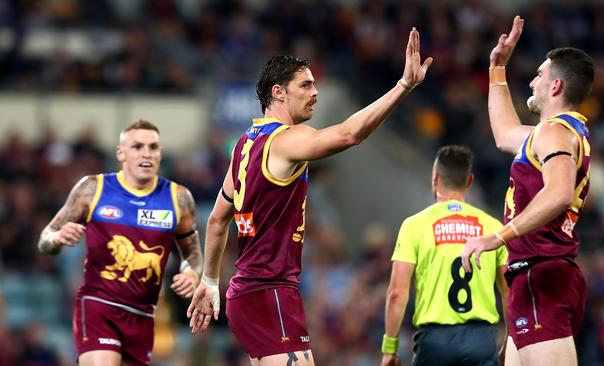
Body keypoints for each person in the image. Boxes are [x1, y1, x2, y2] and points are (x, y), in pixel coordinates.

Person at [186, 28, 433, 366]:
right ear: (279, 92)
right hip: (269, 290)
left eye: (315, 84)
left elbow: (217, 220)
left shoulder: (244, 144)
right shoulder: (287, 139)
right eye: (306, 85)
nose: (315, 93)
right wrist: (403, 86)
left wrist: (210, 282)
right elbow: (349, 134)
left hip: (249, 293)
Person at [460, 16, 594, 366]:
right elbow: (504, 134)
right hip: (534, 274)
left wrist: (498, 237)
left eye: (539, 75)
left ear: (555, 87)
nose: (533, 81)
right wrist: (497, 69)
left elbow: (560, 192)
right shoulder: (556, 134)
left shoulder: (554, 132)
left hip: (540, 271)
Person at [38, 120, 202, 366]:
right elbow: (44, 240)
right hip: (98, 306)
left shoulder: (178, 199)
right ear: (121, 153)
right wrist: (58, 239)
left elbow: (193, 255)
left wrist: (191, 273)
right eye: (137, 146)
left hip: (144, 316)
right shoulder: (92, 189)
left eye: (153, 147)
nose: (146, 153)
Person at [382, 145, 509, 366]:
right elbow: (509, 293)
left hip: (434, 343)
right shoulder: (493, 228)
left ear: (435, 178)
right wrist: (509, 342)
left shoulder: (415, 226)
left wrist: (389, 349)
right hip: (481, 341)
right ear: (469, 181)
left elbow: (397, 293)